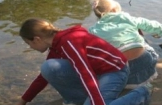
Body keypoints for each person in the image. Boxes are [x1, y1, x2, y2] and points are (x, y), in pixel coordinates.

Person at [16, 18, 152, 105]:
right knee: (49, 68)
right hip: (97, 72)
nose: (30, 47)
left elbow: (85, 73)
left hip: (114, 71)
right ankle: (77, 100)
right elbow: (42, 78)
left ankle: (141, 93)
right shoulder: (56, 46)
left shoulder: (69, 41)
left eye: (29, 43)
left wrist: (97, 102)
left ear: (37, 39)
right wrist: (23, 101)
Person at [89, 0, 162, 88]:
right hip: (144, 64)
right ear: (115, 10)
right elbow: (157, 27)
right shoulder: (128, 19)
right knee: (139, 36)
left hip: (120, 72)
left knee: (100, 50)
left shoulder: (93, 30)